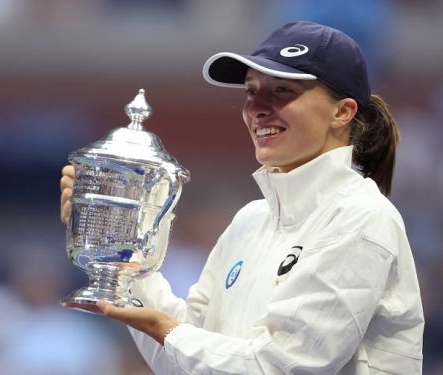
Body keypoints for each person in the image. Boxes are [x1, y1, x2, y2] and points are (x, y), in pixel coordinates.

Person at [59, 21, 424, 374]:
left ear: (342, 112)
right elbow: (188, 359)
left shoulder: (362, 217)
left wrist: (164, 329)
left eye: (282, 90)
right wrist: (121, 254)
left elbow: (279, 367)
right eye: (251, 91)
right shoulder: (250, 220)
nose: (257, 108)